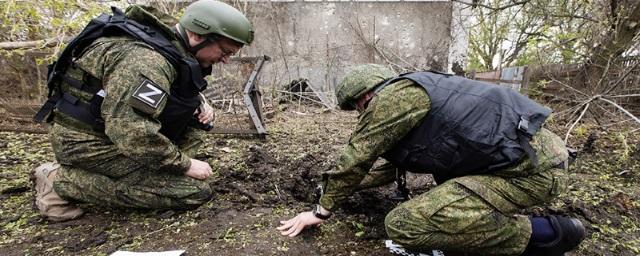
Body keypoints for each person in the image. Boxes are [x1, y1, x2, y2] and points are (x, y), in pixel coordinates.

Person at [277, 64, 586, 255]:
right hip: (531, 163)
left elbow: (358, 155)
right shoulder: (420, 90)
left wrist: (321, 210)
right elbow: (383, 169)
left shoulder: (394, 97)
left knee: (403, 225)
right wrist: (337, 188)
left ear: (365, 96)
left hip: (530, 173)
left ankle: (545, 234)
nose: (361, 113)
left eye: (358, 107)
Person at [31, 0, 254, 221]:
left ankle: (158, 172)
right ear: (197, 36)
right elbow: (130, 130)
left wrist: (198, 102)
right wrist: (183, 164)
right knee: (192, 192)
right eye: (224, 51)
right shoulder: (145, 60)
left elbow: (162, 89)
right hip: (86, 142)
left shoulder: (169, 43)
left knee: (197, 123)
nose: (225, 60)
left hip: (108, 133)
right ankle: (58, 181)